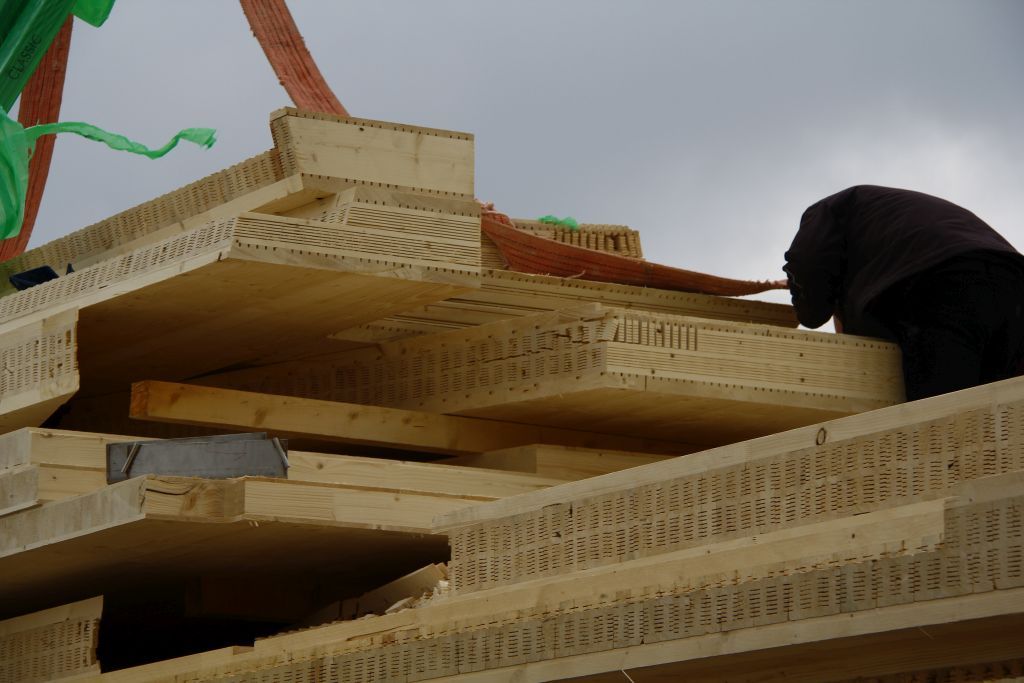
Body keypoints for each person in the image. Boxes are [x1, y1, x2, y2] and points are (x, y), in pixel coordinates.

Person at [783, 184, 1024, 401]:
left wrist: (808, 308)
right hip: (1013, 283)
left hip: (942, 282)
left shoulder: (827, 211)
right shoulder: (882, 227)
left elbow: (807, 264)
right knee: (995, 418)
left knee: (939, 421)